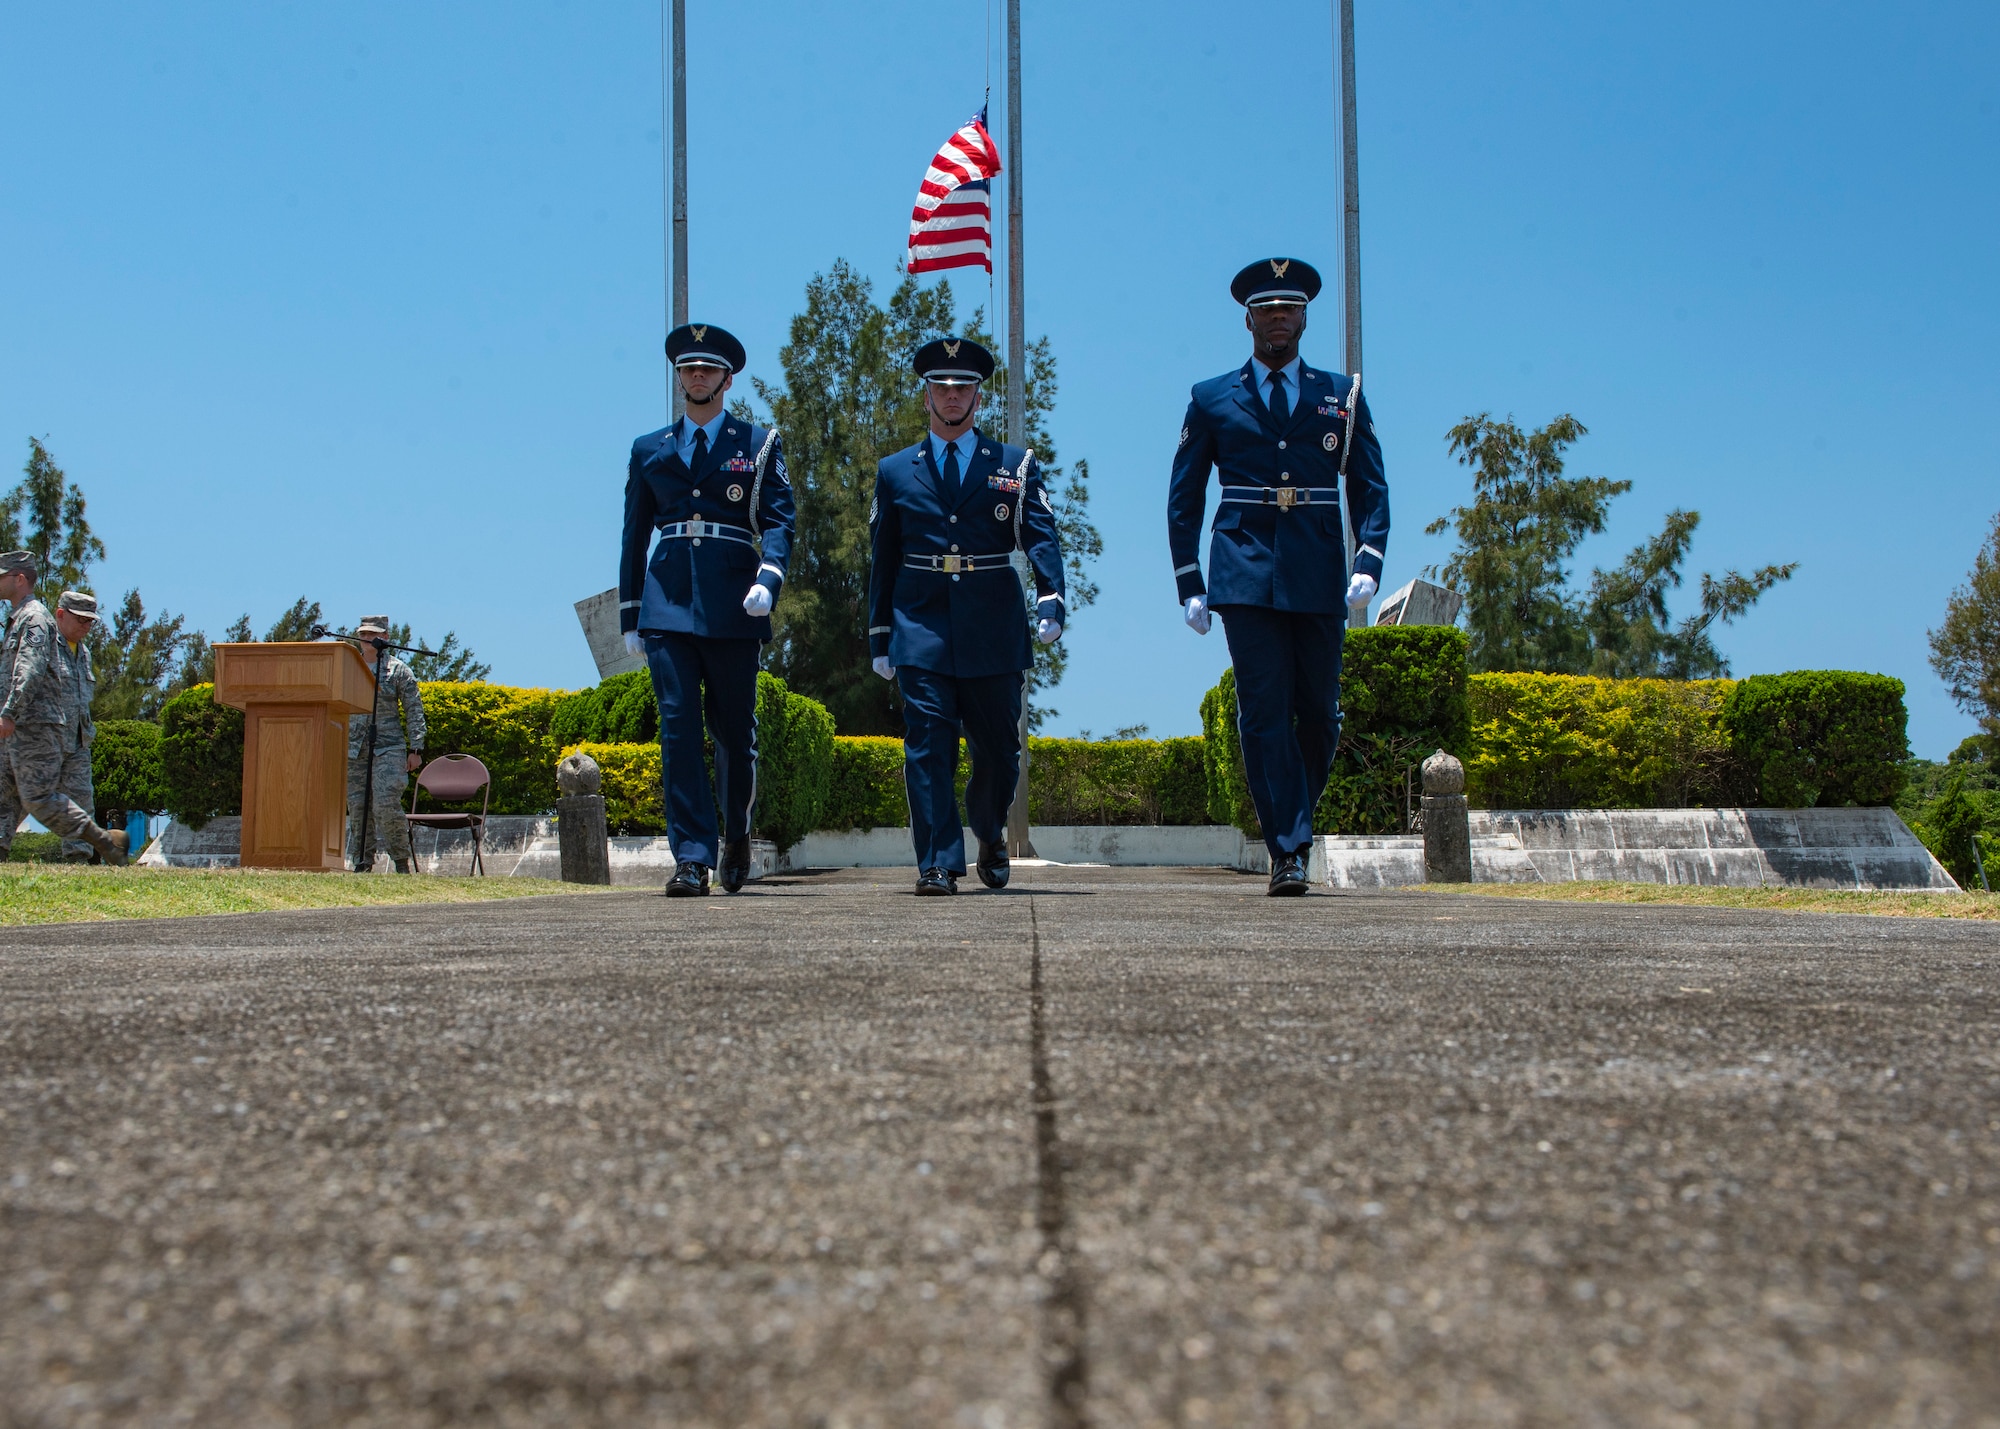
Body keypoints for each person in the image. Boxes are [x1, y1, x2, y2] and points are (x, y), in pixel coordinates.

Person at [1166, 258, 1390, 895]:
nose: (1278, 320)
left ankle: (1293, 816)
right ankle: (1288, 850)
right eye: (1267, 310)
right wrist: (1189, 580)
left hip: (1318, 568)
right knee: (1263, 713)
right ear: (1248, 319)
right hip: (1241, 568)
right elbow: (1184, 497)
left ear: (1303, 317)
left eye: (1288, 309)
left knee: (1320, 716)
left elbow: (1370, 485)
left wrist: (1368, 556)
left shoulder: (1339, 396)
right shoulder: (1211, 398)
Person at [867, 336, 1067, 895]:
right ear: (926, 393)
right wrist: (880, 634)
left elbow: (1042, 537)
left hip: (993, 626)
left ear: (979, 396)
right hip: (920, 624)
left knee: (1000, 752)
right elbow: (882, 556)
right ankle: (936, 863)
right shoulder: (895, 470)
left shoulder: (1013, 464)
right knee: (927, 746)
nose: (952, 397)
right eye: (942, 387)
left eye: (963, 388)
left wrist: (1051, 594)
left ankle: (989, 830)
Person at [619, 323, 796, 896]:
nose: (696, 377)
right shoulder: (650, 449)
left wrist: (769, 577)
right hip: (667, 604)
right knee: (677, 732)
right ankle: (692, 857)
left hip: (733, 604)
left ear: (726, 378)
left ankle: (736, 833)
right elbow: (632, 536)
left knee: (735, 734)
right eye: (687, 369)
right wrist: (630, 613)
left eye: (706, 369)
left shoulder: (757, 443)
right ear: (680, 379)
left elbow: (778, 521)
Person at [0, 555, 128, 865]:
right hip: (35, 731)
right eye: (80, 619)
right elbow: (26, 674)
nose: (86, 626)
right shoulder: (43, 635)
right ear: (60, 614)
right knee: (13, 796)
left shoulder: (81, 652)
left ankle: (81, 858)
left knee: (63, 799)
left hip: (73, 740)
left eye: (90, 622)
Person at [346, 614, 426, 874]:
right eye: (364, 634)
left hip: (388, 748)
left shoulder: (398, 670)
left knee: (385, 804)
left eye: (373, 635)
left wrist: (416, 748)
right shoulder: (348, 667)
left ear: (386, 638)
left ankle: (401, 862)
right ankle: (363, 861)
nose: (367, 639)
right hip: (355, 748)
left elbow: (414, 710)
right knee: (358, 806)